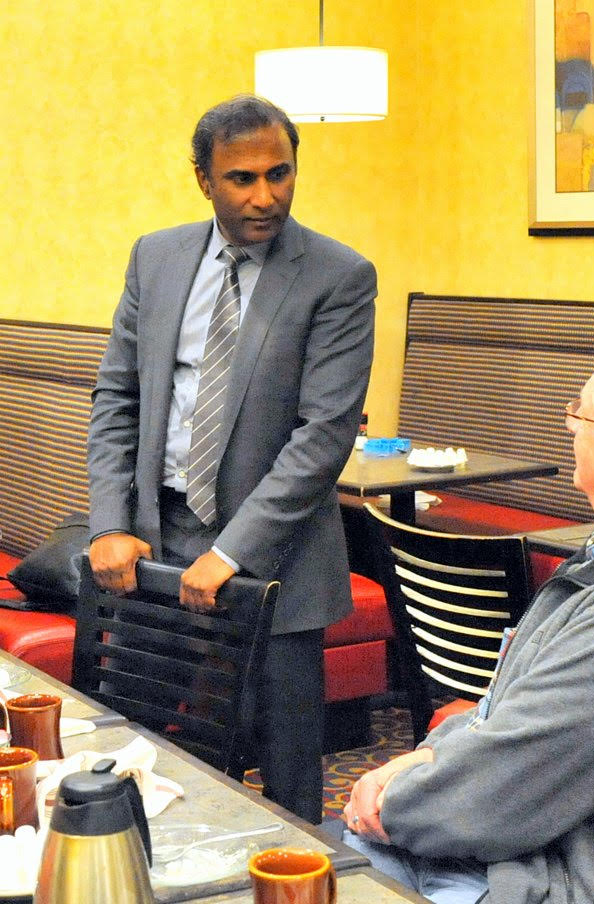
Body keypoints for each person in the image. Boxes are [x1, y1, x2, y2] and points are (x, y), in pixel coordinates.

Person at [341, 333, 594, 904]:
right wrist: (430, 756)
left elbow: (501, 792)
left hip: (563, 881)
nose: (570, 426)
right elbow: (513, 718)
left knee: (325, 865)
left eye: (581, 415)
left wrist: (390, 800)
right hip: (537, 845)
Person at [86, 94, 377, 822]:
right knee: (144, 759)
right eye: (242, 178)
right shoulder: (156, 257)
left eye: (279, 174)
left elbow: (323, 437)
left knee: (289, 790)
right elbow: (117, 397)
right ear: (203, 179)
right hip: (156, 543)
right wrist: (108, 523)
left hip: (278, 560)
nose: (265, 195)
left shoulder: (338, 276)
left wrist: (235, 550)